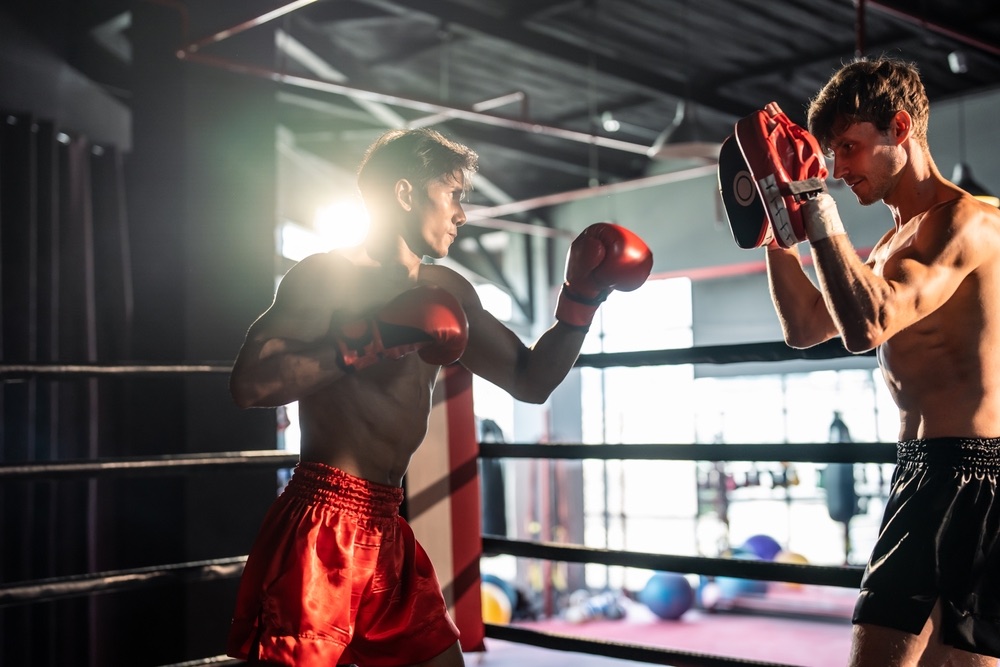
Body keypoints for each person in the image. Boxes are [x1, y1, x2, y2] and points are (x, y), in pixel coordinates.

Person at [224, 127, 653, 667]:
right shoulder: (327, 277)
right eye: (453, 195)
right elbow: (250, 385)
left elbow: (530, 380)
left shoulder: (449, 291)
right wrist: (365, 342)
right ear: (406, 194)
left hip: (388, 527)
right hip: (322, 522)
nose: (462, 214)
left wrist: (580, 302)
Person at [738, 56, 1000, 666]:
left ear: (900, 129)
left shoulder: (970, 221)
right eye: (830, 154)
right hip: (923, 468)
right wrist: (775, 230)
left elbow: (870, 321)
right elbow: (805, 326)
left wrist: (813, 204)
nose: (836, 169)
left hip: (974, 476)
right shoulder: (886, 246)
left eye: (850, 147)